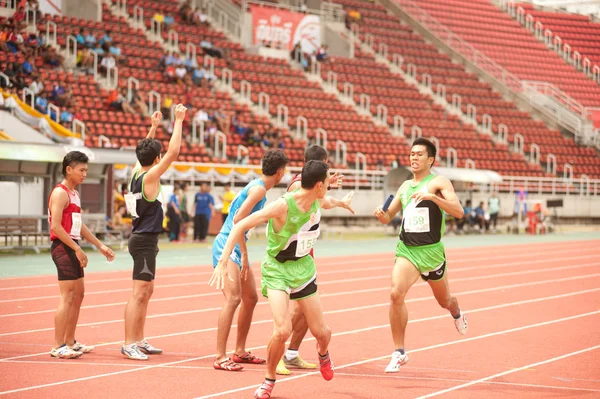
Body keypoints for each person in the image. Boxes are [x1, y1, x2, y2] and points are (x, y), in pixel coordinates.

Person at [210, 160, 355, 399]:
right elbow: (240, 224)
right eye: (328, 181)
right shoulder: (282, 206)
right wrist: (225, 259)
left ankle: (323, 354)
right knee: (282, 330)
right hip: (277, 270)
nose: (331, 185)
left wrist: (341, 202)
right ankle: (268, 380)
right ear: (319, 185)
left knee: (323, 333)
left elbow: (327, 202)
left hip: (304, 270)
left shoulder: (318, 199)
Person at [373, 138, 467, 373]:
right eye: (411, 154)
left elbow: (459, 212)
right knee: (395, 293)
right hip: (408, 250)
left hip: (432, 253)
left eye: (419, 154)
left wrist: (433, 198)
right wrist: (381, 215)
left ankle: (456, 312)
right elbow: (389, 216)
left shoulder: (438, 182)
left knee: (445, 301)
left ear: (430, 159)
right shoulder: (405, 187)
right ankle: (399, 352)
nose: (413, 158)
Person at [208, 149, 288, 372]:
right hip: (227, 244)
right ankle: (220, 356)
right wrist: (243, 251)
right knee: (233, 299)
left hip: (235, 244)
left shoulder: (258, 186)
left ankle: (240, 351)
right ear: (280, 172)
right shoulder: (259, 190)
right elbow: (238, 219)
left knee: (250, 298)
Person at [122, 106, 187, 360]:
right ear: (156, 159)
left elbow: (145, 151)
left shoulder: (136, 170)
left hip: (143, 239)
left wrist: (154, 127)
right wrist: (178, 121)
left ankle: (139, 339)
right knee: (139, 293)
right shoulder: (150, 177)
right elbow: (174, 151)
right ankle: (129, 343)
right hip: (144, 241)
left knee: (146, 292)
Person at [276, 145, 343, 376]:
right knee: (292, 311)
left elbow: (320, 200)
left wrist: (328, 186)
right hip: (287, 254)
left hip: (304, 251)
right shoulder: (297, 185)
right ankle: (278, 355)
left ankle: (292, 354)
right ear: (322, 163)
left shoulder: (311, 184)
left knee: (305, 310)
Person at [48, 151, 115, 359]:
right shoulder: (60, 193)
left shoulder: (74, 193)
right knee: (67, 296)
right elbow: (57, 227)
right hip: (62, 246)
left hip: (72, 244)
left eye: (86, 170)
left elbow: (80, 225)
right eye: (81, 170)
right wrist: (76, 249)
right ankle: (58, 345)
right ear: (69, 170)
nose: (85, 174)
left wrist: (99, 245)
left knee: (79, 295)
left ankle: (70, 341)